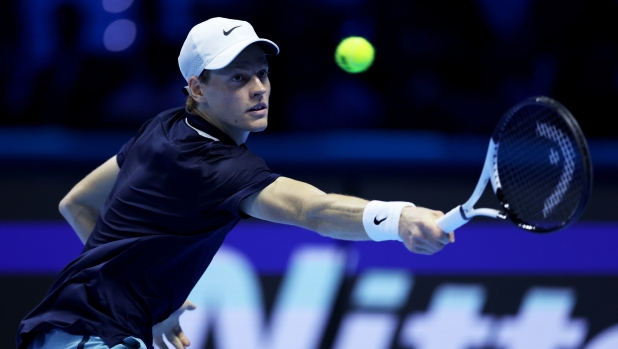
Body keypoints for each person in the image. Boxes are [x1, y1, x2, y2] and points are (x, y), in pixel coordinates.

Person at [16, 17, 454, 349]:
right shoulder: (219, 167)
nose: (259, 88)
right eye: (238, 78)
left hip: (56, 331)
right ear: (198, 88)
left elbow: (75, 204)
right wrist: (399, 218)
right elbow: (311, 209)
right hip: (97, 339)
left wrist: (146, 301)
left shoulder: (163, 127)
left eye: (262, 73)